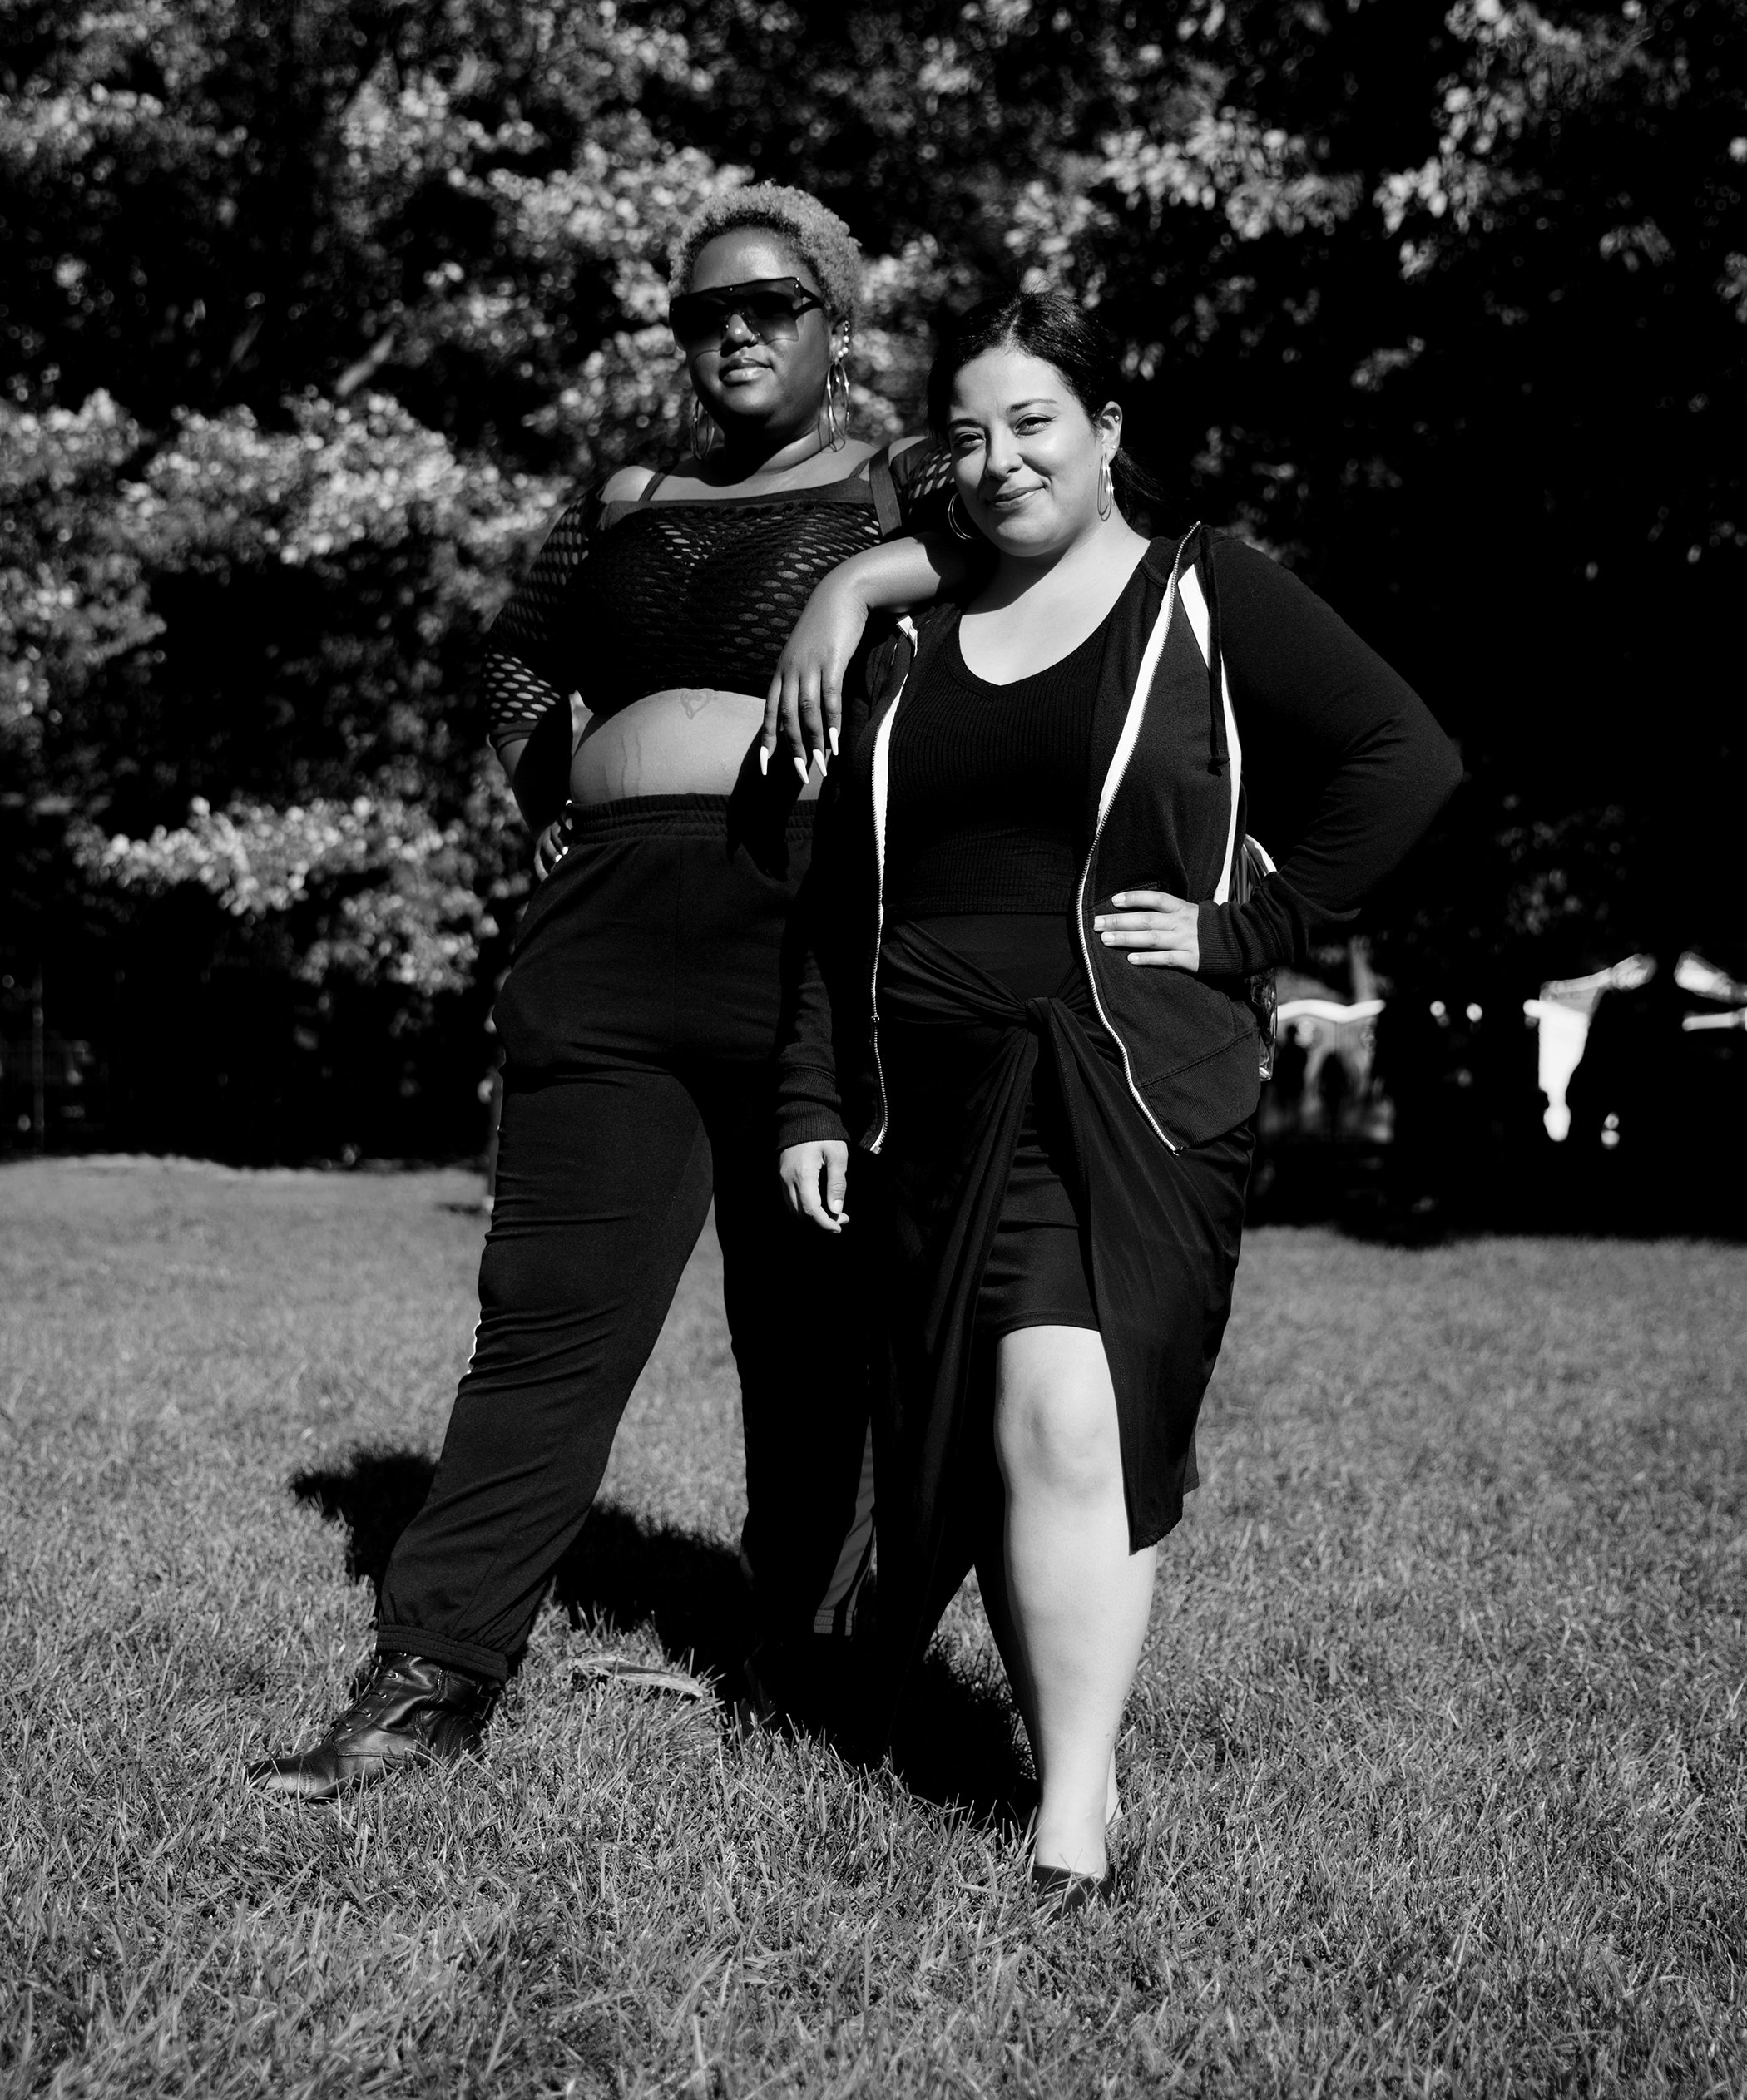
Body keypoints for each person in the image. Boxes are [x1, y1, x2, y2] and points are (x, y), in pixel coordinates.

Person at [250, 182, 964, 1801]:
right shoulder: (628, 487)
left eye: (766, 303)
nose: (728, 333)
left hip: (804, 929)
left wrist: (855, 587)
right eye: (698, 312)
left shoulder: (897, 474)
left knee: (811, 1333)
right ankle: (433, 1669)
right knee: (545, 1324)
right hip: (607, 928)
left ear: (835, 324)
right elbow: (514, 653)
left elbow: (1052, 522)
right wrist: (550, 801)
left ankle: (820, 1649)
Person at [775, 289, 1461, 1905]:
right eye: (968, 430)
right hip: (929, 1098)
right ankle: (1013, 1734)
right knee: (1002, 1439)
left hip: (1133, 1080)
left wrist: (1252, 927)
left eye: (1034, 421)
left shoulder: (1200, 589)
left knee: (1071, 1414)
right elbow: (834, 899)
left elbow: (1403, 757)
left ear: (1106, 433)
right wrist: (814, 1091)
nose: (1001, 455)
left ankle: (1069, 1826)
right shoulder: (907, 638)